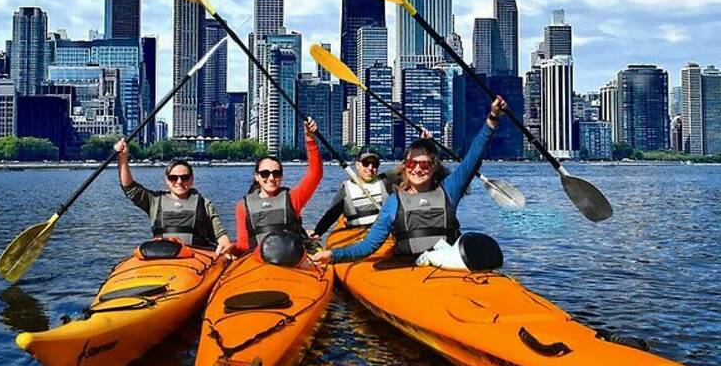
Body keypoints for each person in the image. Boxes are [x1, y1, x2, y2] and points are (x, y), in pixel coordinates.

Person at [312, 96, 506, 265]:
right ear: (405, 167)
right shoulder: (394, 202)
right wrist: (332, 255)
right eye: (413, 164)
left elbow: (473, 158)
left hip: (448, 266)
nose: (418, 169)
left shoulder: (449, 191)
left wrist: (492, 119)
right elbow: (369, 246)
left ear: (434, 167)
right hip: (408, 269)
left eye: (425, 164)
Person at [114, 138, 232, 255]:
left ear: (192, 179)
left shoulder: (205, 204)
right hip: (162, 258)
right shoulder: (154, 201)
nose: (179, 181)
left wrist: (225, 244)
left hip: (197, 260)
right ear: (167, 180)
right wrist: (123, 157)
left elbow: (220, 235)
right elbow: (129, 187)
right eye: (173, 178)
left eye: (184, 177)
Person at [231, 118, 323, 254]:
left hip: (291, 258)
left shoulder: (292, 198)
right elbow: (243, 244)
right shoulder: (242, 206)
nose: (271, 178)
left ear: (282, 176)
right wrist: (230, 250)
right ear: (257, 176)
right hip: (257, 262)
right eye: (265, 174)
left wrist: (310, 139)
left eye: (276, 173)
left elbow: (315, 174)